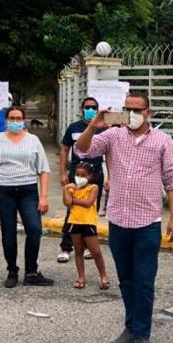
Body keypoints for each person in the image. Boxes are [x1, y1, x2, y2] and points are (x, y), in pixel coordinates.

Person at [75, 91, 173, 343]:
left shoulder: (162, 141)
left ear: (149, 112)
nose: (132, 114)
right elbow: (82, 150)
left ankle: (142, 334)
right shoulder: (113, 136)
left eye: (137, 109)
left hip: (147, 222)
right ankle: (131, 328)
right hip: (118, 220)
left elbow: (171, 178)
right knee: (126, 280)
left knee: (145, 281)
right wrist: (94, 124)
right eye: (127, 109)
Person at [0, 106, 53, 288]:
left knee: (34, 229)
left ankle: (31, 271)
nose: (15, 121)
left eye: (18, 118)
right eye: (11, 118)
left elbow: (43, 169)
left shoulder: (33, 140)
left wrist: (43, 196)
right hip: (3, 189)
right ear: (6, 120)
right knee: (9, 232)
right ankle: (12, 270)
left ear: (24, 120)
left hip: (28, 189)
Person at [57, 97, 106, 264]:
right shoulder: (74, 128)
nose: (91, 110)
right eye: (88, 107)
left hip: (96, 175)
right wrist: (62, 172)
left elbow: (110, 154)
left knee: (92, 211)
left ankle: (86, 247)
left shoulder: (103, 129)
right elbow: (64, 149)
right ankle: (66, 247)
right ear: (82, 108)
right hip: (77, 175)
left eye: (94, 107)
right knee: (72, 209)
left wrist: (111, 177)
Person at [63, 162, 110, 290]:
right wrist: (65, 189)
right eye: (77, 174)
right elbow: (67, 202)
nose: (79, 177)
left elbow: (88, 202)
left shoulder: (93, 187)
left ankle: (104, 276)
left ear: (90, 176)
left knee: (95, 252)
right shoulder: (71, 188)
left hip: (88, 223)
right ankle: (81, 277)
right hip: (74, 222)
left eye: (83, 175)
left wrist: (74, 200)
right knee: (78, 251)